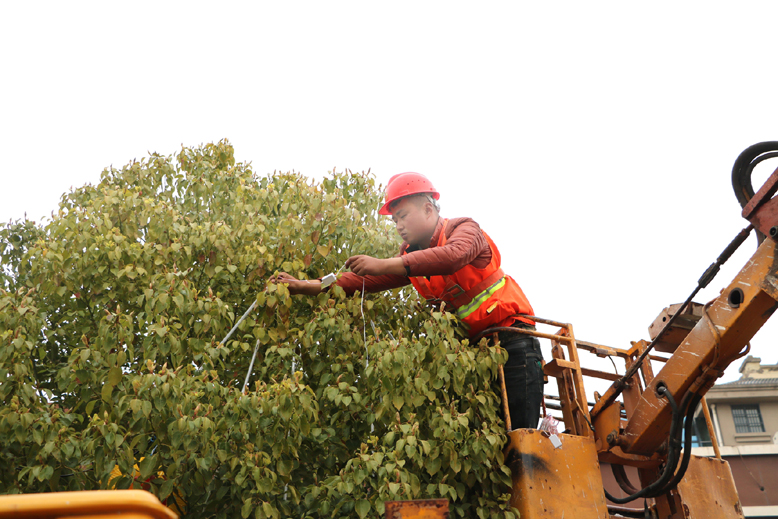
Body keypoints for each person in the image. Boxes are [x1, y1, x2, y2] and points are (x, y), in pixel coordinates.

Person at [270, 172, 544, 429]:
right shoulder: (412, 258)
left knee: (520, 438)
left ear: (428, 208)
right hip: (471, 357)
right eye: (394, 221)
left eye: (402, 216)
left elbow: (453, 256)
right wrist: (308, 286)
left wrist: (385, 263)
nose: (398, 226)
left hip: (513, 342)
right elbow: (359, 282)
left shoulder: (464, 229)